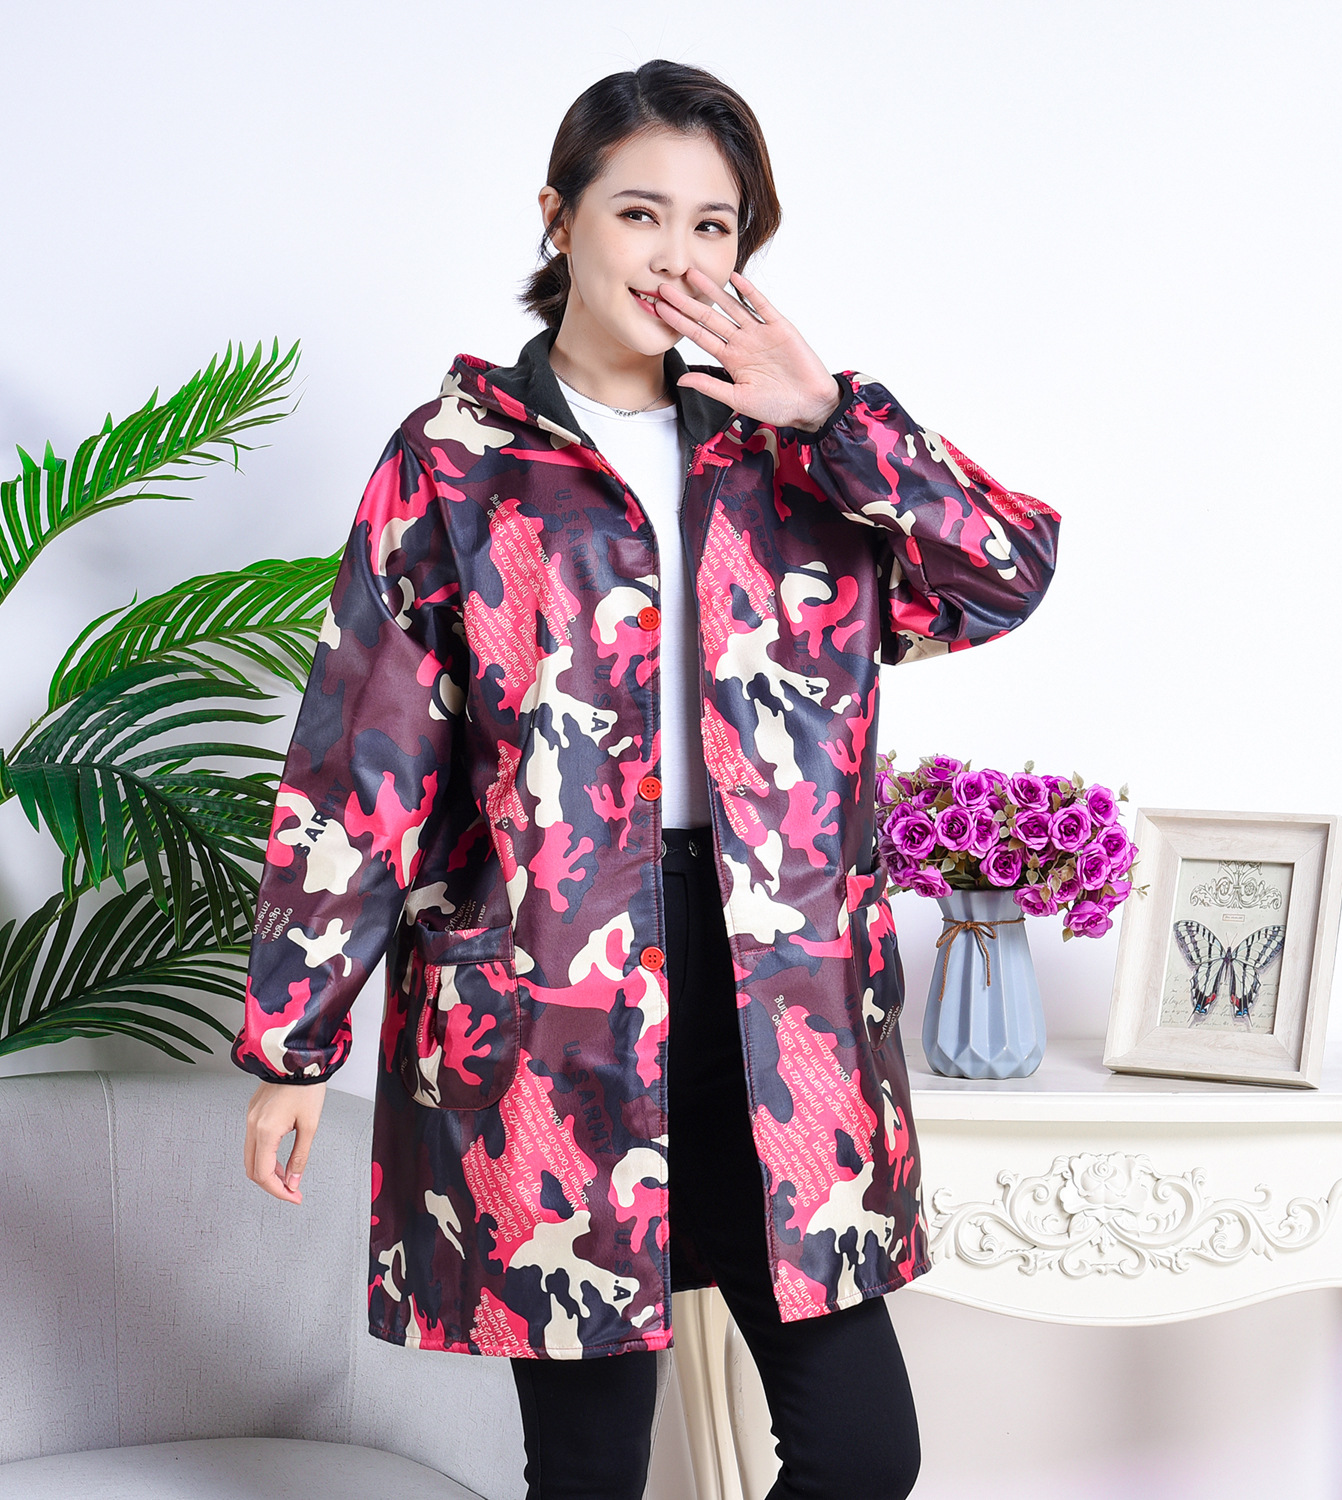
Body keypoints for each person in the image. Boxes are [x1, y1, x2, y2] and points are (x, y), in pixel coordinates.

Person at [235, 58, 1060, 1500]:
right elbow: (365, 754)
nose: (676, 256)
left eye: (713, 225)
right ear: (559, 218)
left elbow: (1004, 573)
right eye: (640, 213)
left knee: (863, 1452)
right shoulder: (453, 463)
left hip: (780, 992)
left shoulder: (793, 457)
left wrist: (833, 414)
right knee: (592, 1469)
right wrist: (292, 1044)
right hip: (549, 991)